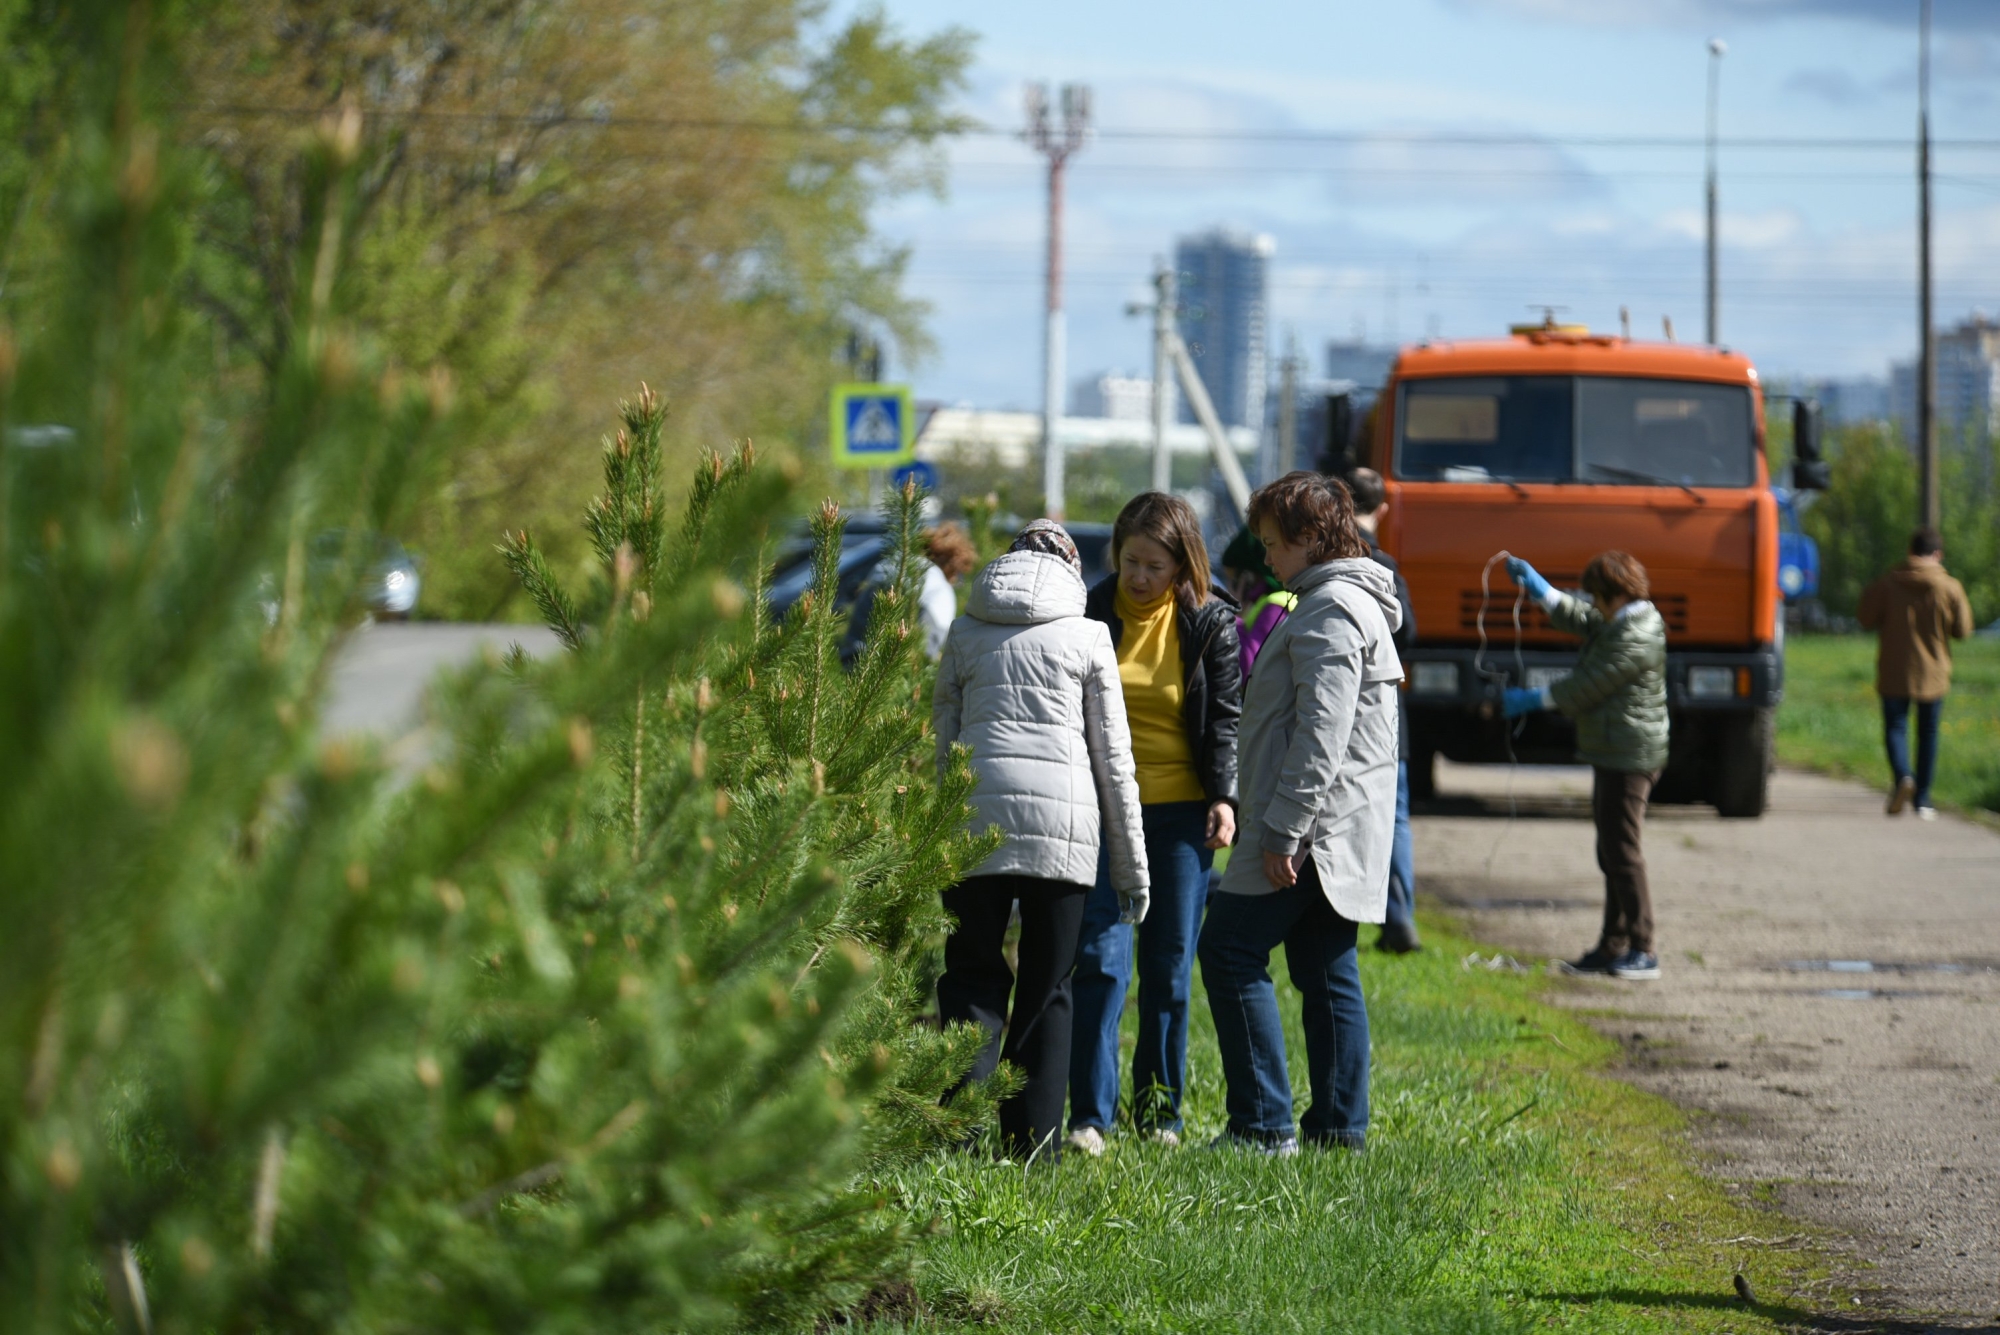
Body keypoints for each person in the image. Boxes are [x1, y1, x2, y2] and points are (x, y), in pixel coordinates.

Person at [1198, 471, 1403, 1155]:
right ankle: (1339, 1129)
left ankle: (1262, 1124)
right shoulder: (1333, 599)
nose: (1268, 559)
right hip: (1325, 826)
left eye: (1275, 545)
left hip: (1313, 830)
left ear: (1313, 538)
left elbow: (1323, 732)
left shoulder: (1333, 608)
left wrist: (1283, 829)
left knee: (1228, 949)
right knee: (1323, 963)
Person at [932, 520, 1149, 1161]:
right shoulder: (1088, 635)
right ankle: (1034, 1149)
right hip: (1064, 833)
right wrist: (1133, 867)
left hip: (973, 824)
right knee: (1049, 989)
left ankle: (959, 1138)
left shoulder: (966, 629)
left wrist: (940, 832)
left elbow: (944, 744)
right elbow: (1113, 756)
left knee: (970, 976)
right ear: (1070, 569)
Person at [1067, 494, 1242, 1155]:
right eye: (1130, 561)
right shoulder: (1088, 612)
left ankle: (1161, 1114)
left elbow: (1226, 718)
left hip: (1181, 815)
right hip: (1106, 808)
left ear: (1182, 562)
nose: (1140, 577)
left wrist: (1224, 797)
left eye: (1155, 564)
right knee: (1101, 960)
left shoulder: (1209, 621)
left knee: (1168, 966)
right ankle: (1091, 1115)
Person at [1500, 551, 1668, 981]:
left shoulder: (1637, 635)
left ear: (1613, 595)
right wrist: (1542, 591)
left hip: (1630, 756)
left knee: (1624, 852)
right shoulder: (1622, 621)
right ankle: (1613, 946)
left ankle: (1644, 949)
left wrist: (1531, 701)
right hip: (1613, 751)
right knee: (1611, 850)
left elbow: (1586, 686)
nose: (1592, 604)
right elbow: (1583, 619)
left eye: (1596, 597)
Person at [1343, 467, 1421, 954]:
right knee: (1396, 817)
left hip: (1342, 713)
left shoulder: (1331, 562)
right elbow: (1408, 631)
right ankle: (1397, 917)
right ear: (1383, 509)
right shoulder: (1386, 565)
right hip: (1388, 716)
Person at [1857, 527, 1975, 820]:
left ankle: (1902, 778)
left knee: (1896, 727)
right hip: (1933, 673)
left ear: (1911, 552)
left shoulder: (1889, 583)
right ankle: (1923, 799)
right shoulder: (1949, 587)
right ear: (1938, 555)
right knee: (1928, 733)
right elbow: (1963, 631)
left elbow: (1864, 617)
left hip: (1894, 669)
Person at [842, 522, 978, 665]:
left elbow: (855, 641)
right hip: (906, 663)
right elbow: (927, 652)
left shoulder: (890, 564)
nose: (956, 579)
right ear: (952, 564)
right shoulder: (939, 587)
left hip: (859, 664)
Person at [1220, 526, 1295, 675]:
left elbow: (1249, 666)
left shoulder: (1274, 608)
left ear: (1247, 577)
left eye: (1233, 578)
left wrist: (1235, 617)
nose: (1229, 587)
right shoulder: (1266, 603)